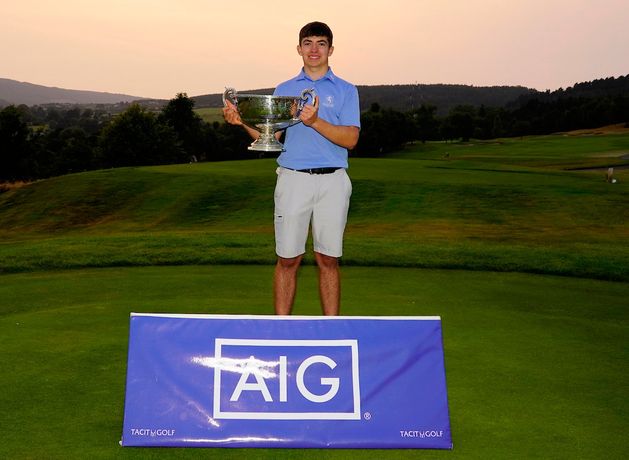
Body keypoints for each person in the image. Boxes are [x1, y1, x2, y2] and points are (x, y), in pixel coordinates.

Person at [223, 21, 360, 316]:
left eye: (321, 43)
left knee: (328, 259)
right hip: (293, 179)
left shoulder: (347, 90)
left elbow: (350, 140)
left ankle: (331, 332)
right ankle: (281, 331)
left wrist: (315, 121)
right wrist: (242, 122)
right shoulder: (285, 90)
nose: (314, 49)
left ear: (331, 49)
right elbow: (269, 138)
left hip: (333, 181)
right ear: (299, 48)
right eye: (308, 43)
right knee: (288, 259)